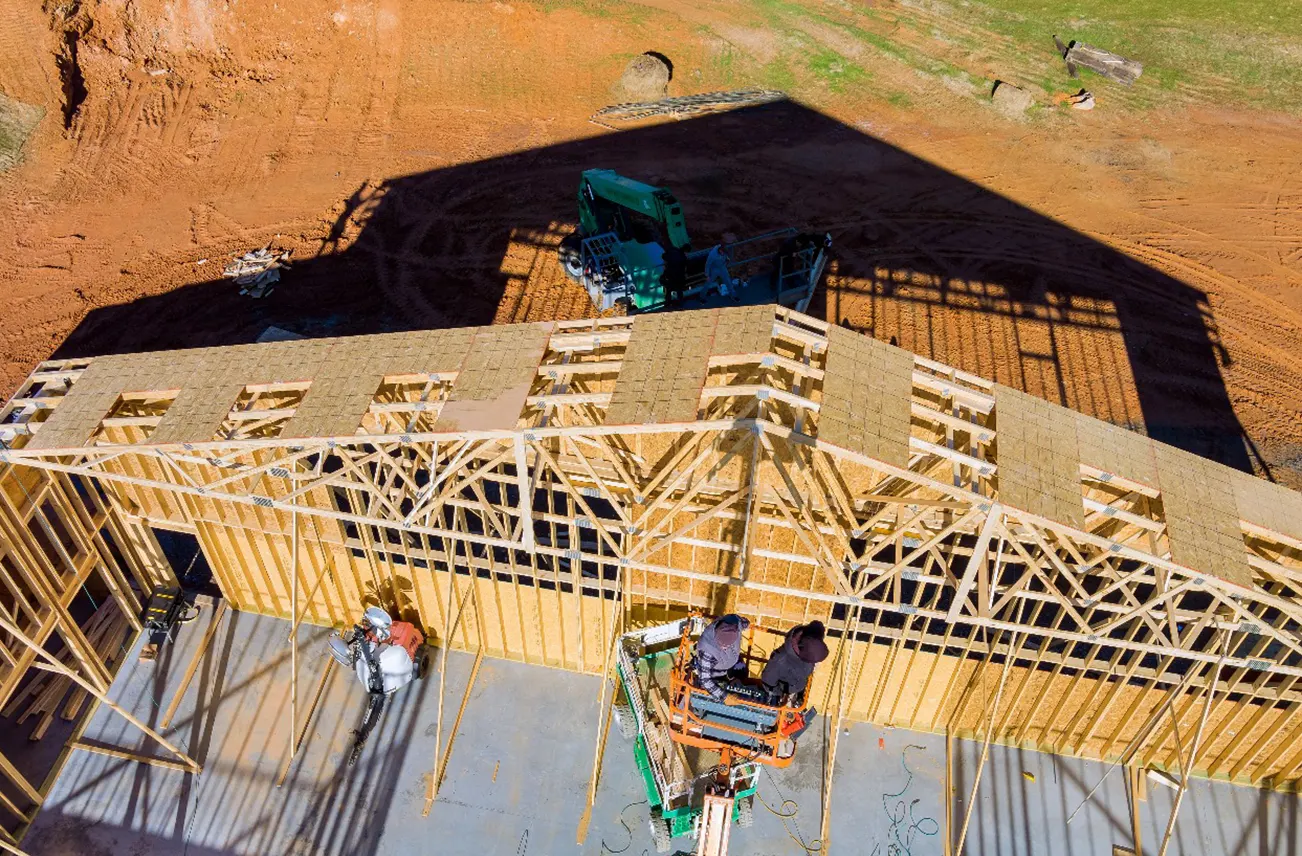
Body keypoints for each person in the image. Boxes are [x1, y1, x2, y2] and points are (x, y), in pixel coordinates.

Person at [761, 620, 829, 703]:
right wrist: (780, 695)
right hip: (782, 690)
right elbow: (768, 681)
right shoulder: (780, 660)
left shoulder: (810, 643)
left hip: (795, 686)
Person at [693, 613, 750, 704]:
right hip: (716, 673)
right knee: (711, 694)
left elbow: (745, 623)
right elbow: (705, 679)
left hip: (731, 662)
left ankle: (736, 679)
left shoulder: (735, 621)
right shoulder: (707, 650)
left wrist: (745, 625)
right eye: (722, 645)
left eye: (728, 645)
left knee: (744, 673)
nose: (725, 648)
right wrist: (725, 697)